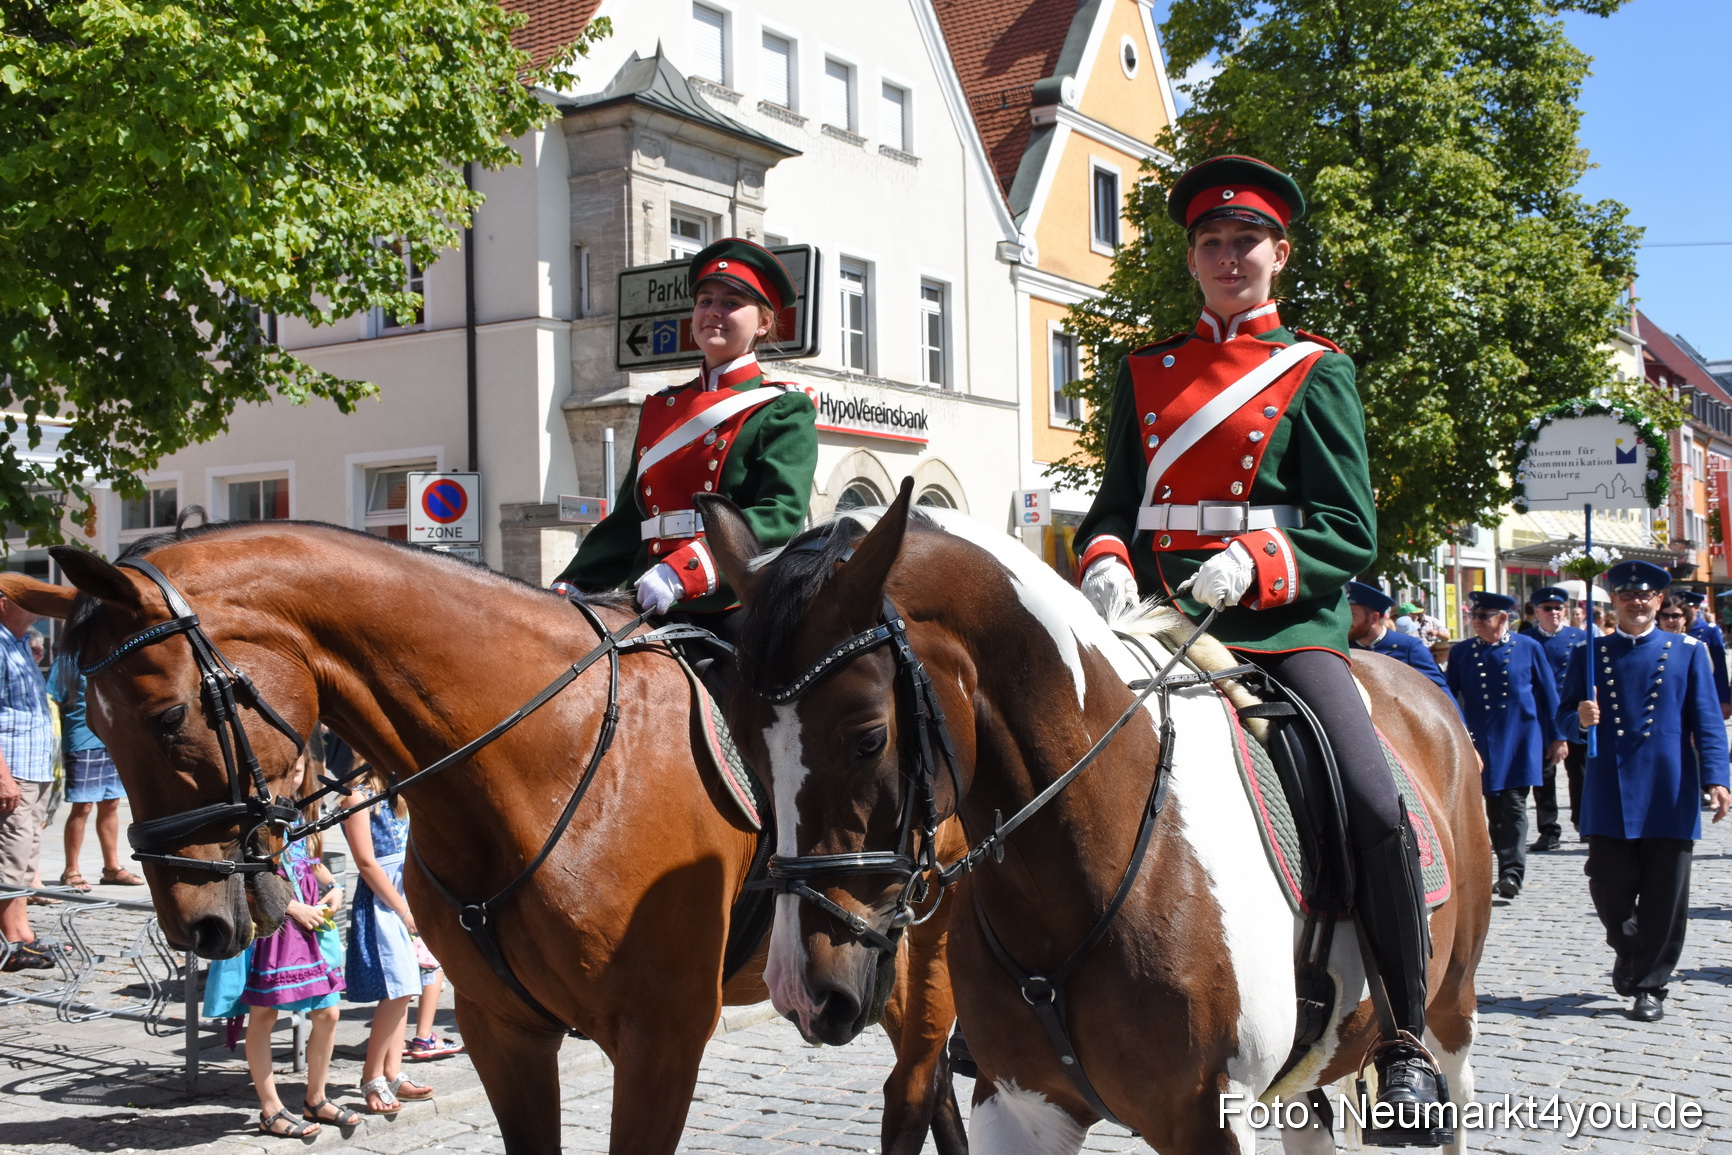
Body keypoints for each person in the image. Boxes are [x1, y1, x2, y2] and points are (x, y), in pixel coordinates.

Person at [1072, 154, 1449, 1142]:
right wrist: (1105, 555)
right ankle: (1004, 1012)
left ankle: (1404, 1038)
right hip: (1154, 622)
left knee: (1370, 796)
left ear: (1278, 255)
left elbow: (1347, 526)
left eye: (1246, 242)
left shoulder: (1316, 371)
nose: (1227, 256)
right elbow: (1113, 504)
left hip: (1278, 630)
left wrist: (1256, 558)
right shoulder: (1145, 371)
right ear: (1192, 260)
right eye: (1210, 243)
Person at [551, 239, 818, 657]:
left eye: (732, 303)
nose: (713, 311)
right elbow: (629, 518)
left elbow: (779, 515)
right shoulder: (661, 406)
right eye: (705, 301)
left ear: (764, 323)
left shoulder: (782, 409)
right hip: (646, 593)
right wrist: (575, 582)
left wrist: (684, 573)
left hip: (728, 599)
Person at [1557, 561, 1730, 1022]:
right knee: (1609, 888)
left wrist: (1718, 778)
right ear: (1613, 601)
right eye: (1628, 595)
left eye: (1647, 595)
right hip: (1609, 788)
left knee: (1665, 895)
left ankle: (1651, 984)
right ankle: (1629, 948)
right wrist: (1579, 721)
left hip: (1669, 788)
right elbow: (1562, 717)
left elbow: (1708, 722)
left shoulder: (1689, 651)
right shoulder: (1589, 653)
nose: (1637, 602)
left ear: (1659, 600)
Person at [202, 757, 354, 1138]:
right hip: (272, 926)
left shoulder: (297, 815)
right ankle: (270, 1109)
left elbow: (306, 860)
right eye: (286, 769)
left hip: (307, 928)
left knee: (329, 1014)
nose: (293, 776)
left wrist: (331, 886)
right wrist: (291, 906)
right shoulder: (251, 819)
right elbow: (241, 876)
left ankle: (315, 1098)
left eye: (298, 769)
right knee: (265, 1015)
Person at [1445, 591, 1566, 900]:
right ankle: (1500, 863)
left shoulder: (1528, 647)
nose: (1476, 622)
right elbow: (1448, 694)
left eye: (1483, 617)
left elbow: (1549, 695)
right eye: (1473, 616)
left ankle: (1512, 872)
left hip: (1520, 740)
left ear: (1503, 618)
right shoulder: (1462, 653)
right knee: (1494, 809)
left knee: (1513, 805)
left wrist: (1558, 737)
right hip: (1481, 741)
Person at [341, 763, 437, 1114]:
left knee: (408, 988)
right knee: (397, 987)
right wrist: (403, 910)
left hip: (405, 893)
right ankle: (372, 1077)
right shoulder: (357, 798)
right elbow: (366, 863)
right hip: (383, 902)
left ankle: (392, 1070)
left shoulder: (399, 797)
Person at [46, 647, 142, 890]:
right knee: (83, 806)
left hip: (112, 740)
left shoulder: (112, 653)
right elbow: (53, 701)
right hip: (80, 741)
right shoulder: (68, 659)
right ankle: (71, 871)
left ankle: (112, 868)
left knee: (110, 804)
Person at [0, 591, 57, 971]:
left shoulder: (18, 642)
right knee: (10, 856)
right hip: (13, 768)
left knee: (25, 855)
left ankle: (23, 934)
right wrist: (3, 776)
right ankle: (9, 942)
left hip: (34, 767)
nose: (37, 601)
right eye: (25, 595)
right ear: (3, 601)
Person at [1526, 586, 1590, 852]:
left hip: (1575, 714)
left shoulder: (1580, 638)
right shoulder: (1527, 640)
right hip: (1541, 718)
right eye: (1547, 608)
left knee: (1581, 773)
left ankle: (1584, 822)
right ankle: (1549, 829)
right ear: (1536, 611)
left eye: (1558, 608)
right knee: (1544, 777)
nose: (1554, 613)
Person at [1346, 582, 1448, 694]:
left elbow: (1440, 695)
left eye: (1352, 614)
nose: (1345, 620)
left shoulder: (1409, 648)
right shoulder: (1344, 647)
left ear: (1374, 618)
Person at [1675, 589, 1731, 719]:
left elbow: (1719, 667)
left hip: (1703, 689)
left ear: (1696, 607)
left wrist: (1724, 699)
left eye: (1687, 607)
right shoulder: (1669, 628)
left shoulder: (1709, 630)